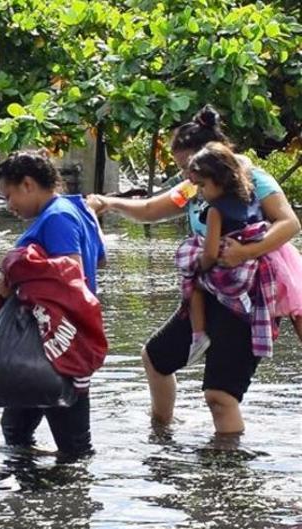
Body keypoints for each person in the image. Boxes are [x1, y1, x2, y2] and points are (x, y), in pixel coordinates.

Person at [88, 106, 301, 434]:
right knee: (156, 358)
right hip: (211, 286)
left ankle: (226, 472)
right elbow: (150, 209)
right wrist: (110, 202)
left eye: (189, 170)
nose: (188, 181)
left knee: (220, 396)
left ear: (213, 159)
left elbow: (289, 223)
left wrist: (246, 251)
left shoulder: (253, 178)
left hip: (247, 292)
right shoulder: (196, 184)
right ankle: (161, 432)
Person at [0, 150, 106, 456]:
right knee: (17, 431)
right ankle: (43, 496)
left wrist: (16, 271)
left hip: (57, 341)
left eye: (9, 195)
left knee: (74, 448)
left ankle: (62, 499)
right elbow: (99, 261)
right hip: (65, 336)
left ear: (27, 184)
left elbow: (70, 272)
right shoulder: (78, 208)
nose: (9, 205)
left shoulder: (57, 217)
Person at [179, 142, 266, 365]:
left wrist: (197, 266)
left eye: (202, 185)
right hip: (253, 271)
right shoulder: (251, 198)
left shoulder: (215, 211)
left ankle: (198, 336)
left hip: (231, 275)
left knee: (193, 284)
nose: (200, 191)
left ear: (219, 180)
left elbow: (209, 254)